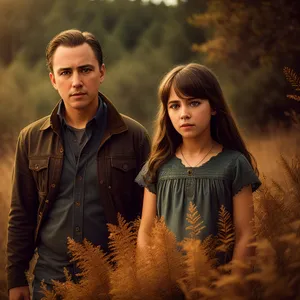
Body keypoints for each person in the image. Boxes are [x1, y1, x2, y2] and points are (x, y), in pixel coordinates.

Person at [7, 29, 150, 300]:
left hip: (116, 283)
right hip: (50, 282)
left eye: (85, 70)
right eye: (65, 72)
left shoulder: (134, 136)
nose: (76, 81)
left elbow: (150, 215)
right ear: (52, 79)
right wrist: (16, 278)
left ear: (102, 72)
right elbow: (21, 213)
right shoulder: (31, 138)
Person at [136, 63, 261, 267]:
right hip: (168, 285)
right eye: (175, 105)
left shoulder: (234, 164)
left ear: (213, 107)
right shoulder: (157, 165)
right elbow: (145, 233)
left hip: (220, 286)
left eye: (194, 103)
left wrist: (234, 288)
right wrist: (150, 284)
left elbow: (246, 235)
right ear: (167, 112)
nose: (184, 113)